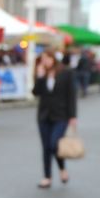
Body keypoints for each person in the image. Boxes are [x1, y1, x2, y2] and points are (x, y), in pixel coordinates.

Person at [33, 49, 78, 189]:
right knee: (46, 147)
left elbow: (72, 95)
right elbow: (36, 92)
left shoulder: (66, 73)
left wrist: (73, 116)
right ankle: (47, 177)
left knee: (54, 144)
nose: (45, 62)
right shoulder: (42, 74)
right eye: (43, 59)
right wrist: (40, 77)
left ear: (53, 59)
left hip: (61, 116)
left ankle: (62, 168)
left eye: (47, 58)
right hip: (44, 115)